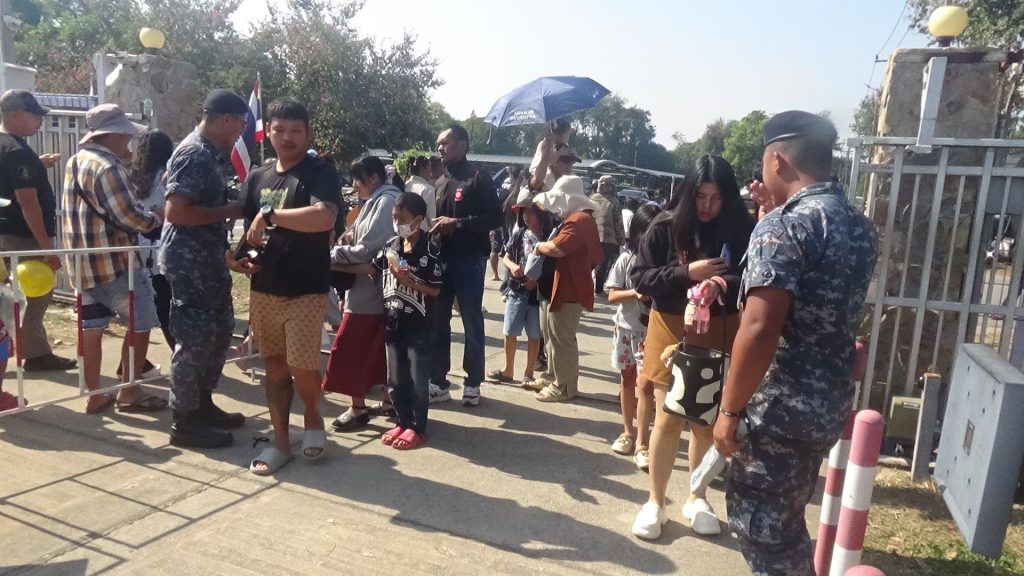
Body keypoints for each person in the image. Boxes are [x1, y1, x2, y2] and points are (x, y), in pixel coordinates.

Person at [712, 111, 877, 575]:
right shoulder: (859, 225)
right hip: (825, 406)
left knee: (764, 533)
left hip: (779, 411)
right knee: (786, 524)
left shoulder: (785, 226)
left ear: (778, 161)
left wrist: (729, 412)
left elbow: (759, 329)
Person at [631, 154, 754, 539]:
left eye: (716, 198)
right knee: (668, 417)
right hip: (669, 327)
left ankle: (697, 497)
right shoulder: (665, 226)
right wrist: (688, 273)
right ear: (689, 193)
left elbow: (750, 277)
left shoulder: (740, 228)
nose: (707, 205)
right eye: (701, 196)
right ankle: (655, 501)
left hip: (718, 329)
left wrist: (719, 283)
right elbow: (641, 277)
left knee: (705, 421)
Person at [227, 97, 341, 475]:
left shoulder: (319, 173)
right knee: (274, 365)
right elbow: (245, 225)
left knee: (302, 365)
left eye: (296, 130)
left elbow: (324, 218)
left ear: (308, 134)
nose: (288, 137)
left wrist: (271, 214)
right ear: (268, 132)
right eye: (280, 130)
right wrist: (233, 256)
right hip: (264, 286)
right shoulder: (258, 176)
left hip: (306, 287)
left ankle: (312, 415)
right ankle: (280, 441)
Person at [61, 104, 166, 414]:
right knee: (141, 322)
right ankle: (130, 391)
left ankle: (95, 393)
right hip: (115, 263)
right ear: (113, 135)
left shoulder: (76, 161)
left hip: (82, 263)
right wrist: (156, 218)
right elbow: (129, 216)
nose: (128, 142)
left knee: (91, 329)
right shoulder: (109, 167)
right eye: (124, 136)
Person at [161, 89, 250, 448]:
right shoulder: (194, 153)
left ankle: (202, 404)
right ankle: (184, 421)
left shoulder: (210, 153)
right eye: (241, 124)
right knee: (195, 339)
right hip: (188, 262)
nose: (241, 132)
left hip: (207, 258)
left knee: (219, 333)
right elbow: (176, 212)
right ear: (226, 119)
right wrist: (232, 210)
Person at [344, 192, 444, 449]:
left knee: (417, 381)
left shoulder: (430, 251)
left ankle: (418, 427)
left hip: (418, 327)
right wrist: (334, 265)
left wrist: (408, 281)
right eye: (394, 217)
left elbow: (435, 290)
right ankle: (402, 420)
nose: (397, 223)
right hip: (393, 323)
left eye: (402, 218)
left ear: (418, 220)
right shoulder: (391, 245)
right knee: (396, 379)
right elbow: (372, 268)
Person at [0, 89, 76, 372]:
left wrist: (37, 165)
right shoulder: (18, 152)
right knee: (37, 292)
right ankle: (35, 353)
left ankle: (13, 347)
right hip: (23, 235)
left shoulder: (9, 147)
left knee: (7, 294)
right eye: (35, 116)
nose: (40, 121)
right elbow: (28, 202)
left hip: (4, 231)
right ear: (15, 116)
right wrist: (47, 249)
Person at [324, 155, 401, 429]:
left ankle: (358, 407)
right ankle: (389, 401)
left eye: (358, 179)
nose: (354, 185)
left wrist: (331, 255)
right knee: (377, 350)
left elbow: (369, 249)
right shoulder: (378, 200)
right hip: (374, 291)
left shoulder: (385, 202)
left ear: (375, 178)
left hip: (370, 292)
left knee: (350, 349)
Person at [428, 125, 502, 406]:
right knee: (438, 322)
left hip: (469, 260)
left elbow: (495, 217)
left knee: (471, 322)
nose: (440, 148)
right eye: (438, 143)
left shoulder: (478, 178)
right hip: (441, 259)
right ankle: (438, 381)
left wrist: (458, 224)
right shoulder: (439, 182)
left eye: (445, 142)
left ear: (463, 144)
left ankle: (472, 383)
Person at [524, 146, 603, 402]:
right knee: (551, 337)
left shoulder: (579, 220)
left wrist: (539, 246)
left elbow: (558, 248)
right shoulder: (573, 218)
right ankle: (551, 376)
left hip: (568, 289)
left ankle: (564, 386)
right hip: (556, 287)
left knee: (562, 340)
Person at [606, 203, 661, 456]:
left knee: (647, 386)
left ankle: (642, 441)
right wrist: (636, 293)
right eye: (648, 229)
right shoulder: (626, 259)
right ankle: (627, 431)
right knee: (627, 380)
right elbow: (612, 294)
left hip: (652, 332)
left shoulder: (662, 262)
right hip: (627, 328)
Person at [487, 197, 552, 387]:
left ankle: (529, 373)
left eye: (531, 212)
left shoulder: (548, 238)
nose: (526, 216)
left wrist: (536, 280)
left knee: (534, 335)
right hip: (516, 291)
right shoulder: (519, 234)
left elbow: (550, 266)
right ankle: (508, 369)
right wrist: (512, 266)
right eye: (524, 213)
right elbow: (506, 256)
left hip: (536, 295)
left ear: (541, 215)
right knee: (510, 332)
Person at [126, 128, 174, 371]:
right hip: (162, 244)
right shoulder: (167, 175)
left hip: (139, 245)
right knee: (167, 302)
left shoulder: (131, 176)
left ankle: (131, 363)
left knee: (148, 303)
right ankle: (178, 350)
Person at [590, 175, 626, 295]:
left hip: (590, 236)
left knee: (589, 262)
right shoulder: (614, 202)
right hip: (607, 238)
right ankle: (599, 289)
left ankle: (583, 286)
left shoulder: (591, 199)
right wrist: (621, 239)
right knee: (603, 263)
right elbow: (618, 223)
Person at [404, 156, 436, 231]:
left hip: (405, 232)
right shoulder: (428, 189)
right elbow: (432, 219)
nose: (431, 173)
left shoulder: (405, 185)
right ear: (422, 169)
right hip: (421, 233)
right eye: (430, 169)